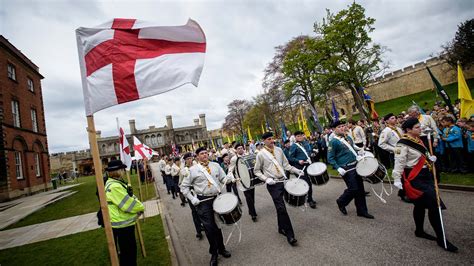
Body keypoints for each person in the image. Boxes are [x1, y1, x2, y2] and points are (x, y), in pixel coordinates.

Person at [392, 118, 458, 253]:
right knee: (435, 204)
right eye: (417, 127)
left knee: (420, 204)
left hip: (426, 175)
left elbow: (422, 155)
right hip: (415, 177)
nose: (419, 128)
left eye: (419, 126)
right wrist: (397, 178)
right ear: (408, 130)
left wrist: (429, 158)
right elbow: (399, 162)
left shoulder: (418, 139)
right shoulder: (402, 144)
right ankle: (442, 239)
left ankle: (419, 231)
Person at [181, 147, 234, 266]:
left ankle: (221, 248)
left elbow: (223, 179)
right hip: (203, 201)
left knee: (218, 225)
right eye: (202, 154)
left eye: (206, 153)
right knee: (209, 228)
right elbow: (184, 187)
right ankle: (214, 254)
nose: (205, 155)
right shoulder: (192, 170)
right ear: (197, 156)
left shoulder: (216, 165)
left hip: (216, 198)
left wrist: (229, 179)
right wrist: (192, 198)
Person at [254, 132, 302, 246]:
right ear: (264, 141)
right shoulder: (260, 154)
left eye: (272, 139)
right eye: (269, 139)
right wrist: (266, 179)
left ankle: (281, 228)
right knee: (282, 208)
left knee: (280, 208)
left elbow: (286, 165)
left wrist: (296, 170)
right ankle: (290, 235)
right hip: (273, 184)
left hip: (283, 181)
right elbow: (256, 171)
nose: (272, 141)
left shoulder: (279, 150)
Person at [328, 121, 374, 219]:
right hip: (346, 168)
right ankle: (341, 201)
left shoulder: (348, 138)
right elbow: (330, 158)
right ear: (334, 129)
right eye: (339, 127)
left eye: (343, 126)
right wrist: (338, 167)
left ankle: (362, 211)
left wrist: (360, 151)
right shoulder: (333, 142)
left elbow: (351, 148)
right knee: (353, 189)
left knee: (360, 189)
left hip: (356, 166)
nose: (342, 128)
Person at [105, 160, 145, 266]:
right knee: (128, 255)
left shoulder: (116, 183)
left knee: (127, 253)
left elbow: (130, 197)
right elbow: (127, 204)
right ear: (117, 171)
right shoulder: (114, 186)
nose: (123, 171)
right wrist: (141, 207)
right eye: (122, 169)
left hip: (123, 224)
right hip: (123, 225)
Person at [378, 113, 409, 203]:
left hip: (404, 151)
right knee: (402, 173)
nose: (395, 119)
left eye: (395, 118)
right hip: (396, 154)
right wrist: (394, 149)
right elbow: (381, 144)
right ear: (387, 121)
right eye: (392, 118)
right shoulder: (386, 131)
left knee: (406, 172)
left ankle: (404, 191)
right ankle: (404, 193)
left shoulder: (398, 129)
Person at [229, 143, 258, 221]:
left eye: (241, 148)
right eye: (238, 148)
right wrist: (233, 178)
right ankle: (253, 214)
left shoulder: (247, 155)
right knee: (248, 197)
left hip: (250, 180)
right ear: (236, 150)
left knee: (252, 197)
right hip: (242, 181)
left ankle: (251, 210)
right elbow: (230, 170)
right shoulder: (234, 159)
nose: (240, 149)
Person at [288, 131, 317, 209]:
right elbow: (290, 157)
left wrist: (313, 152)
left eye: (301, 136)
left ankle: (308, 198)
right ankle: (309, 200)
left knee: (309, 182)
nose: (300, 137)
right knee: (307, 183)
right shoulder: (294, 146)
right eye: (298, 136)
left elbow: (309, 152)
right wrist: (298, 161)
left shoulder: (306, 143)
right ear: (295, 137)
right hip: (300, 167)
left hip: (308, 165)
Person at [180, 153, 203, 239]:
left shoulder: (197, 166)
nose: (190, 160)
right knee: (194, 211)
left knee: (201, 209)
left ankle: (203, 224)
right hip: (190, 192)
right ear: (185, 160)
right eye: (188, 159)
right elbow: (181, 183)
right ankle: (198, 231)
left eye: (191, 158)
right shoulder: (183, 170)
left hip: (199, 191)